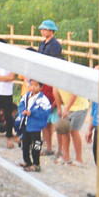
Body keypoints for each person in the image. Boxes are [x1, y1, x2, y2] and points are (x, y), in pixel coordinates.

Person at [36, 19, 64, 156]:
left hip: (51, 81)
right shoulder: (42, 44)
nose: (43, 31)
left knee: (56, 120)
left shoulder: (55, 45)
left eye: (45, 29)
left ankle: (59, 149)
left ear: (51, 31)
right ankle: (49, 146)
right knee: (44, 120)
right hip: (42, 81)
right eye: (42, 29)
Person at [16, 78, 52, 172]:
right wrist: (23, 111)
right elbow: (21, 105)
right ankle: (27, 161)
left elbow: (45, 112)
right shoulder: (26, 96)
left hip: (35, 126)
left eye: (36, 85)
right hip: (26, 124)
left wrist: (32, 112)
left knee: (36, 145)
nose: (33, 87)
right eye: (31, 85)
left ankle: (36, 164)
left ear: (41, 87)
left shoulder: (43, 100)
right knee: (25, 144)